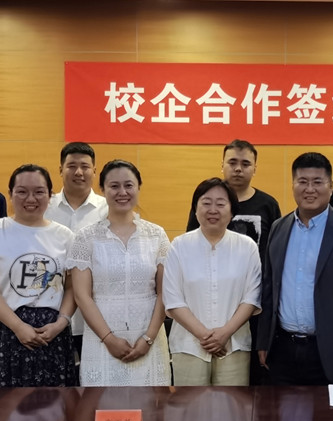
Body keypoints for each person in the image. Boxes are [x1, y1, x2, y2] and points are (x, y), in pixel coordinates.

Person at [258, 152, 333, 385]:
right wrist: (264, 341)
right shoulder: (278, 228)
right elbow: (269, 288)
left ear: (331, 186)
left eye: (317, 182)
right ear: (293, 185)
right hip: (282, 350)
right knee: (280, 409)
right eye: (302, 182)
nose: (310, 189)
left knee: (329, 411)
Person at [0, 164, 77, 387]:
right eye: (22, 191)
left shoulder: (65, 236)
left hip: (51, 333)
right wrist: (18, 327)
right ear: (10, 194)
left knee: (54, 403)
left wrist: (60, 323)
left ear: (50, 195)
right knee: (3, 402)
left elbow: (72, 287)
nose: (31, 198)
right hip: (4, 329)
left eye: (39, 192)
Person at [68, 160, 172, 386]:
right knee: (102, 403)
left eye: (129, 185)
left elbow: (164, 293)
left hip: (149, 338)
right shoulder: (86, 237)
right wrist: (109, 339)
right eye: (114, 186)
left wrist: (148, 338)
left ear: (138, 187)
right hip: (102, 340)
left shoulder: (157, 235)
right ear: (102, 189)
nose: (122, 192)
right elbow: (82, 296)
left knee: (151, 405)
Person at [164, 178, 262, 386]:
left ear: (232, 210)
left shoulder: (247, 247)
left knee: (232, 404)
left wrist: (224, 334)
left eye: (220, 204)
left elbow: (251, 297)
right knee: (190, 405)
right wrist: (205, 336)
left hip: (234, 345)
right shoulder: (179, 246)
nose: (213, 210)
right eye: (206, 203)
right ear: (195, 209)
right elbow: (173, 299)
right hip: (188, 346)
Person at [47, 141, 107, 356]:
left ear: (95, 170)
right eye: (72, 166)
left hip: (94, 317)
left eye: (85, 166)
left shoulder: (108, 209)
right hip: (50, 313)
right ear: (60, 169)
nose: (79, 172)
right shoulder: (44, 206)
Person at [185, 139, 281, 254]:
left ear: (254, 169)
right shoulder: (205, 202)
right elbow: (190, 242)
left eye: (245, 164)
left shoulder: (268, 204)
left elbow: (277, 249)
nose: (238, 169)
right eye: (232, 163)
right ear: (222, 166)